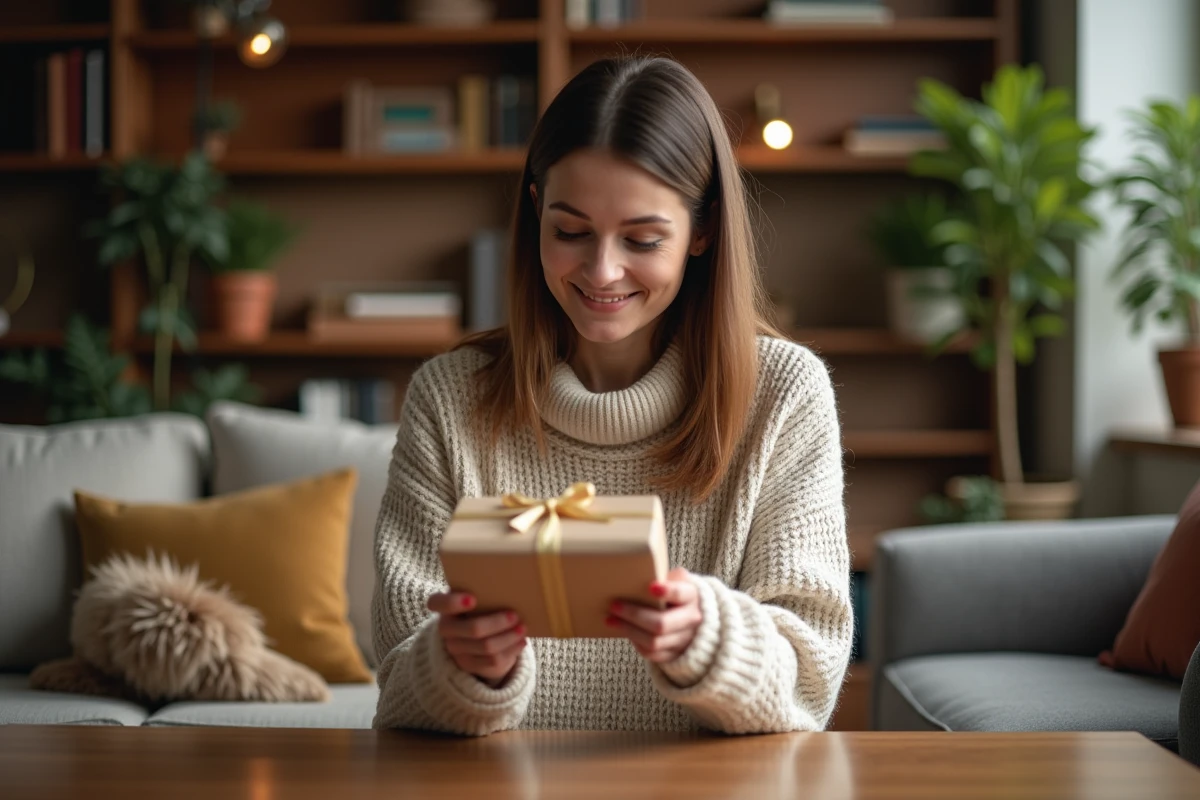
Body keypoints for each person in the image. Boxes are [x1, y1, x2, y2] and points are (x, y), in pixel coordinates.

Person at [371, 55, 852, 736]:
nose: (602, 271)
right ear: (536, 211)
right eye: (570, 232)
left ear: (703, 231)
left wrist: (710, 639)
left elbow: (813, 676)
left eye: (643, 239)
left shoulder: (783, 395)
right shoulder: (449, 398)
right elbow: (396, 681)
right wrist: (466, 666)